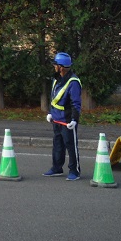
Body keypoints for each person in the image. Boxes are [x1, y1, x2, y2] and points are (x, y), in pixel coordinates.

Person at [43, 52, 82, 181]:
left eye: (55, 64)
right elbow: (53, 98)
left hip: (67, 120)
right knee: (58, 144)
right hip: (56, 119)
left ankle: (74, 171)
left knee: (71, 146)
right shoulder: (56, 79)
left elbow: (76, 103)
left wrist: (74, 120)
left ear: (61, 67)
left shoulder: (73, 82)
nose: (54, 66)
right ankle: (56, 168)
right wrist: (50, 112)